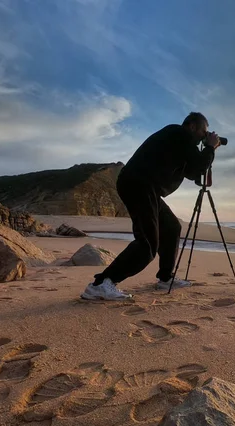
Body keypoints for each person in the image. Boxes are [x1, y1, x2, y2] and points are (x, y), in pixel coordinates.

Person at [81, 112, 221, 300]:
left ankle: (165, 278)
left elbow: (193, 171)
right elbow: (198, 164)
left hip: (147, 188)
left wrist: (208, 151)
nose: (204, 136)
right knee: (147, 244)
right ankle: (101, 284)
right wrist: (210, 148)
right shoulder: (179, 134)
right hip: (139, 184)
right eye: (203, 131)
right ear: (192, 127)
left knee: (171, 227)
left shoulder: (179, 142)